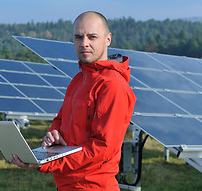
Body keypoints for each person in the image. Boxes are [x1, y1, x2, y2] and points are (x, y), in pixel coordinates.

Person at [11, 11, 136, 190]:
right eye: (78, 37)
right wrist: (53, 137)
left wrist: (47, 163)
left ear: (107, 39)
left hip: (93, 186)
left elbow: (101, 149)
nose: (84, 43)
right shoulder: (78, 80)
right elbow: (60, 120)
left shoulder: (112, 86)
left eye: (92, 37)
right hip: (67, 184)